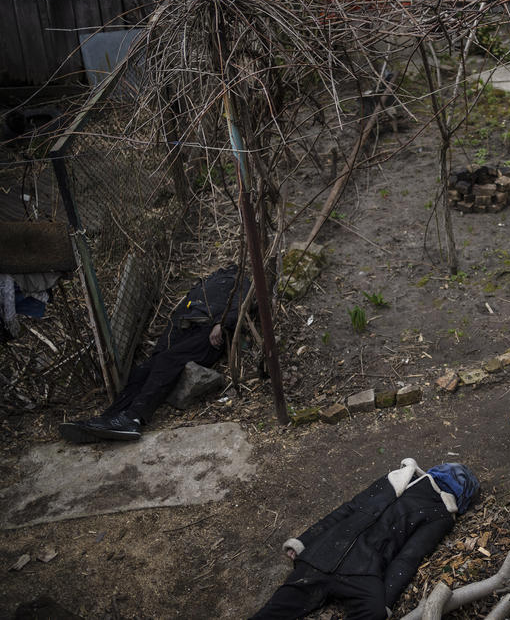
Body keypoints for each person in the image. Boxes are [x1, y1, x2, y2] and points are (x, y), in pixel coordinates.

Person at [252, 459, 480, 620]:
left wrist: (304, 542)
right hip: (361, 572)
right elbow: (408, 558)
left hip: (321, 556)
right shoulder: (441, 513)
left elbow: (347, 509)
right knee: (373, 612)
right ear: (463, 498)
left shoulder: (395, 479)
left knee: (273, 611)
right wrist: (386, 602)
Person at [59, 265, 251, 443]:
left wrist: (221, 323)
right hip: (187, 331)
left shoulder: (239, 281)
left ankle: (133, 417)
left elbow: (243, 304)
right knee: (143, 369)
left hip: (208, 336)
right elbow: (177, 317)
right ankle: (108, 418)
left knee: (167, 361)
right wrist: (161, 348)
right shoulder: (203, 285)